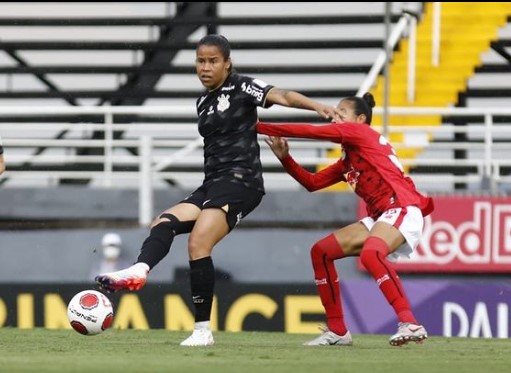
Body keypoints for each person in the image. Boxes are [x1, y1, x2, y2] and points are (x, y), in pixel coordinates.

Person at [95, 34, 342, 346]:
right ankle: (140, 270)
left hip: (242, 182)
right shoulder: (202, 101)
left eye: (213, 61)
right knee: (163, 222)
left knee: (199, 242)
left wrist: (317, 106)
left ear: (228, 64)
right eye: (201, 61)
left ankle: (202, 331)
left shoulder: (242, 86)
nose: (206, 67)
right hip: (213, 183)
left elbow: (283, 95)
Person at [256, 92, 434, 347]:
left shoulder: (361, 134)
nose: (335, 115)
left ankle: (410, 323)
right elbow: (312, 183)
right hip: (382, 215)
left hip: (402, 205)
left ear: (360, 119)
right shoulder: (348, 158)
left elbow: (311, 132)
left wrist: (255, 126)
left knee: (371, 255)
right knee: (321, 252)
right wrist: (285, 158)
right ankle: (338, 331)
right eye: (336, 111)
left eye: (342, 112)